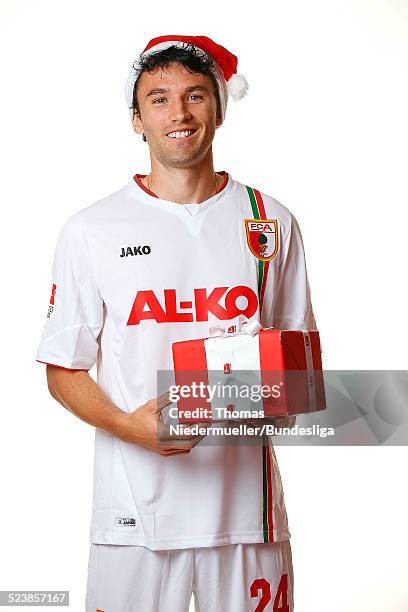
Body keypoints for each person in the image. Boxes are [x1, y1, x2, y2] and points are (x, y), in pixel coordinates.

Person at [36, 34, 317, 612]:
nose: (179, 113)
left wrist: (252, 390)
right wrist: (128, 424)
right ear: (137, 120)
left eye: (194, 96)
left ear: (218, 107)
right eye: (158, 99)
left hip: (247, 516)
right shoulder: (91, 229)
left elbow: (301, 372)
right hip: (132, 517)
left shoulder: (271, 220)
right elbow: (62, 369)